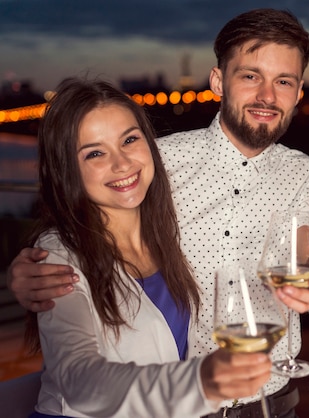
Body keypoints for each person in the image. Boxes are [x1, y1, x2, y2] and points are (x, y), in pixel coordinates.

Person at [7, 9, 309, 418]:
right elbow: (84, 226)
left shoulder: (307, 174)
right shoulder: (151, 163)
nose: (267, 96)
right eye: (250, 76)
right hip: (183, 399)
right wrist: (28, 269)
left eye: (283, 81)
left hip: (274, 394)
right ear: (218, 81)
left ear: (299, 90)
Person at [24, 77, 272, 417]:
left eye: (129, 139)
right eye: (95, 153)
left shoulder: (169, 232)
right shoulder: (58, 256)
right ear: (67, 169)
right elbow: (79, 380)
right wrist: (200, 382)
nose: (122, 163)